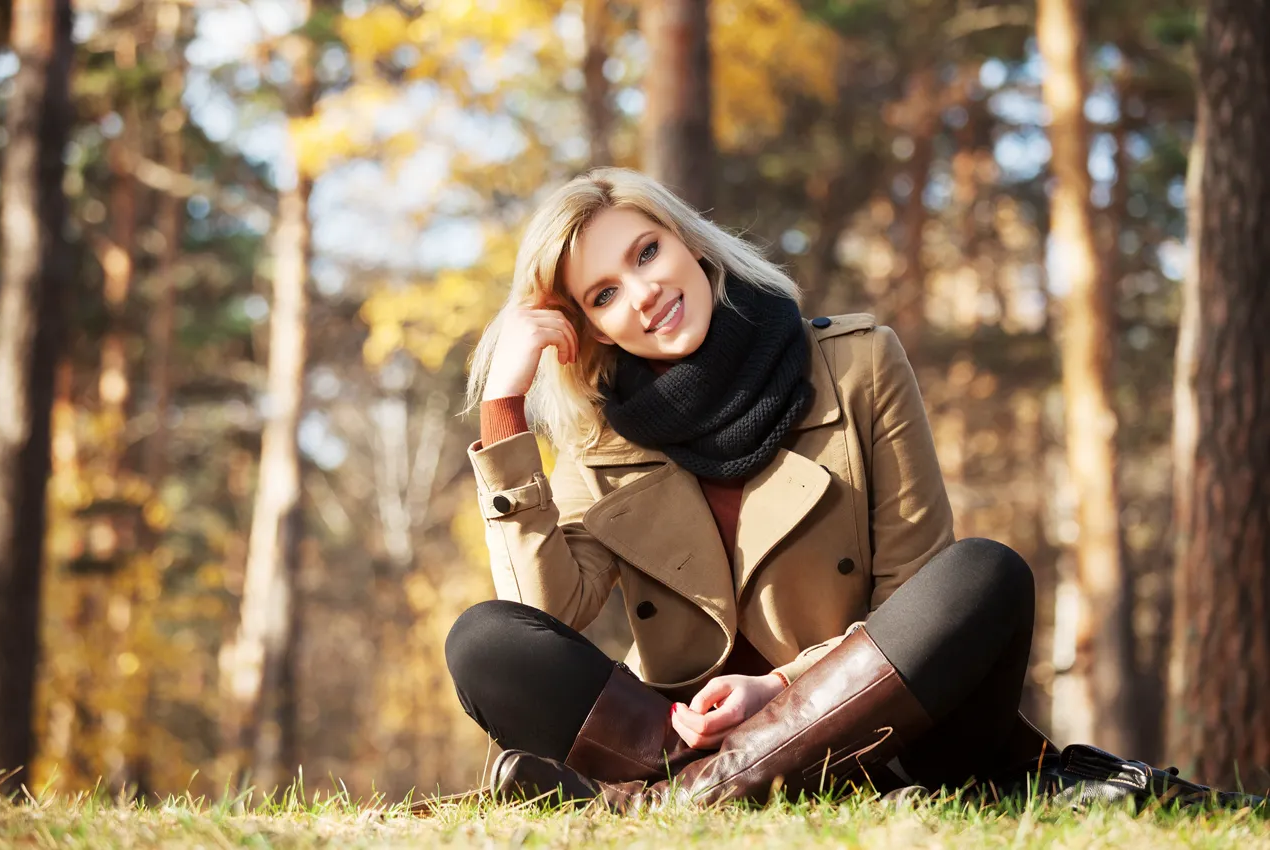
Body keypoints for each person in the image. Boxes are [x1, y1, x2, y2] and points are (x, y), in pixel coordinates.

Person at [443, 167, 1054, 812]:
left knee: (983, 573)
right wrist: (503, 407)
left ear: (691, 244)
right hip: (684, 737)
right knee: (481, 640)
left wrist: (782, 690)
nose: (644, 293)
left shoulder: (859, 364)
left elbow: (913, 591)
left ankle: (675, 801)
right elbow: (545, 619)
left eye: (647, 253)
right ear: (593, 330)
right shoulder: (599, 445)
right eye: (604, 295)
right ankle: (703, 785)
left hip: (880, 732)